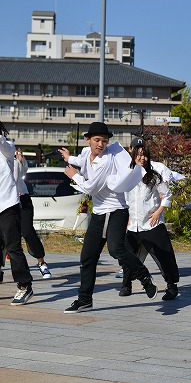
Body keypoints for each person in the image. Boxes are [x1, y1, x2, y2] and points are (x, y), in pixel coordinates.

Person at [59, 121, 158, 313]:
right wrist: (70, 158)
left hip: (115, 212)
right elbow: (82, 160)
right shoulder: (87, 153)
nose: (101, 144)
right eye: (97, 140)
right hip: (99, 214)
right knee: (87, 257)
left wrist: (74, 175)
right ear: (88, 140)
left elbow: (90, 187)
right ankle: (85, 299)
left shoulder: (106, 161)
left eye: (104, 141)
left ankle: (144, 276)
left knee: (116, 249)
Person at [114, 137, 185, 279]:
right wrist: (126, 218)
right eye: (139, 154)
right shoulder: (127, 175)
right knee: (127, 255)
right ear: (133, 154)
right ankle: (126, 285)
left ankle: (171, 285)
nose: (142, 158)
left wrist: (159, 212)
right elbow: (124, 199)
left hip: (152, 224)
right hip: (134, 225)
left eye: (145, 154)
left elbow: (167, 194)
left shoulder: (154, 176)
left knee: (164, 256)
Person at [0, 130, 35, 305]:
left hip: (7, 206)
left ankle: (24, 285)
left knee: (13, 247)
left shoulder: (6, 150)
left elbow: (6, 147)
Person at [13, 147, 50, 278]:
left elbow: (22, 173)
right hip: (6, 201)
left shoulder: (12, 157)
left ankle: (41, 262)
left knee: (27, 231)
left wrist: (20, 161)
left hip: (22, 198)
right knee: (5, 237)